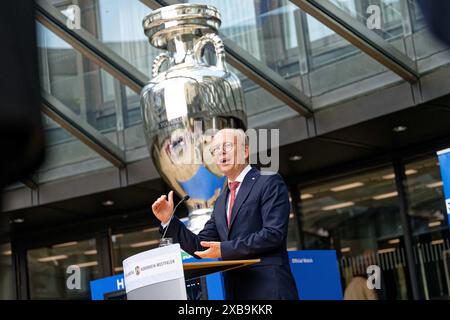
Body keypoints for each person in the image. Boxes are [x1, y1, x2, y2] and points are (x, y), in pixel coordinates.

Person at [151, 128, 299, 300]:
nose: (220, 152)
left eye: (227, 146)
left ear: (245, 151)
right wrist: (168, 221)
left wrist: (224, 249)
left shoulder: (268, 181)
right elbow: (201, 246)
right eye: (214, 150)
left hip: (270, 290)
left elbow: (273, 234)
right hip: (237, 294)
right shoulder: (221, 200)